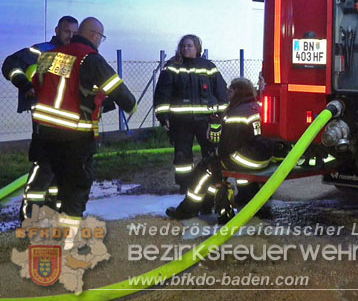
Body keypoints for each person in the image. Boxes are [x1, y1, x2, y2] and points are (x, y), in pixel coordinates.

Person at [29, 17, 136, 248]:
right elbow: (117, 89)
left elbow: (40, 87)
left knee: (57, 182)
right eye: (101, 37)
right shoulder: (90, 58)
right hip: (75, 136)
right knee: (77, 186)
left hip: (44, 134)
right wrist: (132, 106)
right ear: (94, 35)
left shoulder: (50, 56)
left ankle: (49, 229)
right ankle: (70, 241)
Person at [166, 78, 274, 224]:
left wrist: (213, 158)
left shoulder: (236, 114)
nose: (227, 92)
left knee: (206, 169)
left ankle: (188, 209)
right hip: (262, 158)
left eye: (230, 89)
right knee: (225, 166)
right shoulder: (257, 106)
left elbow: (227, 147)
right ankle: (246, 202)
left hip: (248, 160)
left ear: (238, 92)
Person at [2, 15, 79, 218]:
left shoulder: (75, 54)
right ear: (56, 30)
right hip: (44, 118)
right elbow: (10, 64)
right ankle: (29, 214)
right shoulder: (41, 51)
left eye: (74, 33)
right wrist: (24, 84)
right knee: (44, 164)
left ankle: (52, 208)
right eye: (66, 32)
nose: (70, 36)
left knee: (61, 164)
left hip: (66, 120)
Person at [154, 35, 228, 193]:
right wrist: (163, 115)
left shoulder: (209, 67)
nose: (186, 49)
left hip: (207, 121)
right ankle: (185, 186)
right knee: (182, 156)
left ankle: (213, 183)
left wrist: (221, 116)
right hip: (181, 121)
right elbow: (162, 92)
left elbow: (222, 91)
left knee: (211, 152)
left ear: (197, 48)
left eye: (190, 46)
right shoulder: (172, 67)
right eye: (184, 46)